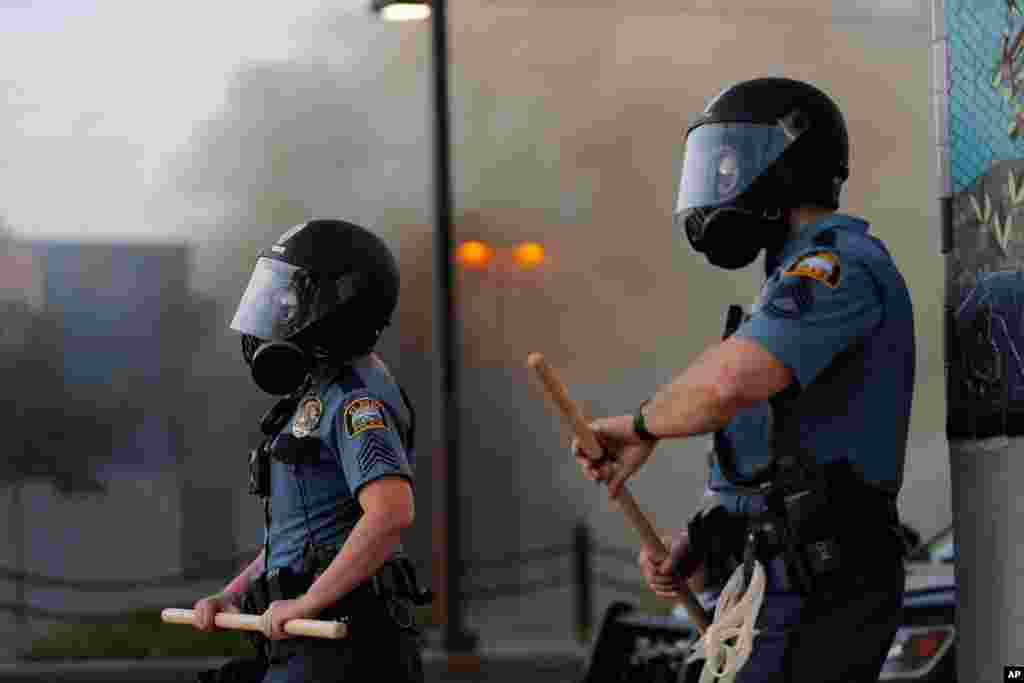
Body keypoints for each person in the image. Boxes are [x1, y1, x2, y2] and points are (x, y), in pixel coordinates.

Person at [573, 78, 913, 682]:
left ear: (787, 167)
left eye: (733, 165)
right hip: (777, 585)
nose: (719, 184)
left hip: (820, 589)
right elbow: (768, 454)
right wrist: (706, 541)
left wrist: (638, 425)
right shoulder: (786, 284)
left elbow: (722, 389)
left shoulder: (837, 269)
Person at [190, 219, 429, 683]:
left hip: (342, 644)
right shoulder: (320, 392)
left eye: (291, 300)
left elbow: (390, 513)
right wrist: (232, 596)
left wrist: (308, 602)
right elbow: (305, 536)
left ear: (338, 307)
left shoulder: (357, 399)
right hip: (303, 639)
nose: (277, 313)